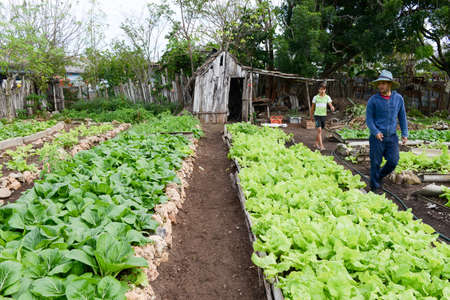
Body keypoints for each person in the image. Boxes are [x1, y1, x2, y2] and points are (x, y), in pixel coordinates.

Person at [366, 70, 408, 193]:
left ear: (389, 84)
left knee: (393, 161)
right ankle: (374, 188)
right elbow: (369, 119)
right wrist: (375, 131)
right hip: (377, 137)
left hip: (392, 137)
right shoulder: (373, 100)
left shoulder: (398, 98)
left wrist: (404, 133)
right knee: (375, 162)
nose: (381, 86)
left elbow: (402, 117)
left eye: (383, 83)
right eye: (379, 83)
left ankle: (378, 176)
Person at [310, 82, 334, 150]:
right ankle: (321, 146)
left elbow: (330, 105)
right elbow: (312, 108)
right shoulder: (315, 97)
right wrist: (311, 116)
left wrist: (332, 107)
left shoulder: (327, 97)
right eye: (320, 89)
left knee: (319, 131)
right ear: (318, 90)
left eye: (323, 89)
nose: (322, 91)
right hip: (317, 115)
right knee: (319, 130)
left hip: (323, 116)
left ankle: (316, 143)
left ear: (325, 90)